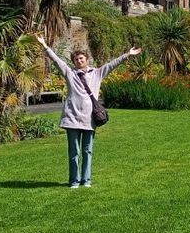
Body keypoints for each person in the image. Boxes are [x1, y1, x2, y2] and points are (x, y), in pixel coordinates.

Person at [35, 35, 141, 188]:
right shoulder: (70, 73)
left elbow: (112, 64)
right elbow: (57, 61)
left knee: (87, 151)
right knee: (74, 152)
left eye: (81, 58)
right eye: (76, 59)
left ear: (87, 60)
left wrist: (127, 55)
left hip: (89, 119)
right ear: (74, 62)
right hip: (72, 118)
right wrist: (45, 46)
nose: (79, 61)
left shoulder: (97, 73)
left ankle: (86, 180)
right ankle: (74, 180)